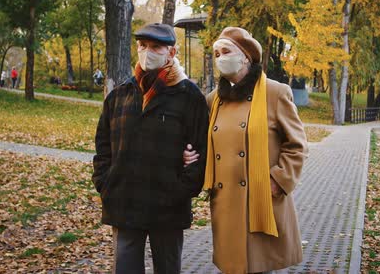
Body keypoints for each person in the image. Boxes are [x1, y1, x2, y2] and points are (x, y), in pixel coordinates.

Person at [183, 27, 308, 273]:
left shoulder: (275, 92)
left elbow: (297, 144)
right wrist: (189, 155)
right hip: (226, 202)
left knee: (259, 266)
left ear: (245, 56)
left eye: (226, 51)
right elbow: (203, 142)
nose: (220, 58)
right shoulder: (213, 100)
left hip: (261, 199)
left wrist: (278, 181)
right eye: (216, 53)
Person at [92, 23, 209, 274]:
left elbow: (201, 150)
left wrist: (182, 189)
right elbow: (103, 146)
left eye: (156, 47)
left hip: (168, 206)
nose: (148, 52)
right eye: (143, 46)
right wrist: (105, 181)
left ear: (172, 53)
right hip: (124, 202)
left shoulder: (189, 96)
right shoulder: (120, 94)